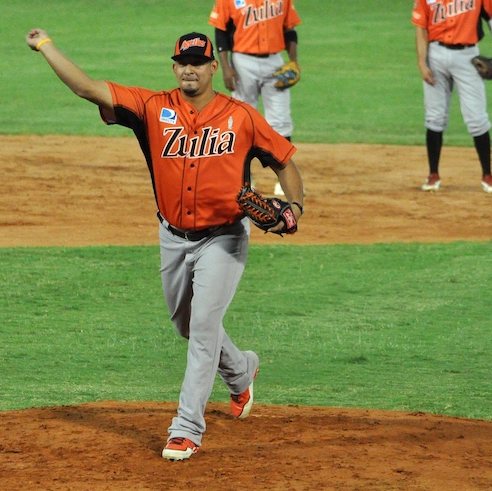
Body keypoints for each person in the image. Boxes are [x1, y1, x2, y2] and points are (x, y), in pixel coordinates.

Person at [25, 29, 304, 461]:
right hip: (172, 236)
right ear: (175, 67)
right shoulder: (152, 108)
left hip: (224, 237)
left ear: (214, 67)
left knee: (204, 329)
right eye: (181, 62)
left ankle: (186, 428)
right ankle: (241, 370)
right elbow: (85, 87)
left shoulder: (242, 116)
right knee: (187, 325)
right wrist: (46, 45)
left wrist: (295, 208)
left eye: (198, 61)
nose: (189, 68)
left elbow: (285, 162)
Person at [412, 0, 492, 193]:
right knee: (434, 117)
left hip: (467, 57)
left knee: (477, 118)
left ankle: (488, 176)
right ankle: (433, 175)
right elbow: (421, 29)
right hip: (435, 56)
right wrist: (422, 63)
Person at [209, 0, 301, 196]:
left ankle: (283, 181)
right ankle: (244, 179)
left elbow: (290, 30)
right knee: (243, 121)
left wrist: (293, 61)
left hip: (275, 62)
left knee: (281, 121)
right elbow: (221, 32)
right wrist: (226, 67)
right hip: (243, 62)